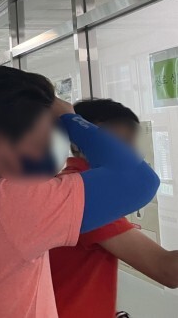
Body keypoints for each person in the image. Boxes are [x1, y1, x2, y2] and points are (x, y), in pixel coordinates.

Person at [0, 66, 159, 318]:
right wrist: (70, 117)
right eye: (40, 145)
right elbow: (139, 181)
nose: (46, 160)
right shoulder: (7, 206)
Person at [50, 99, 178, 318]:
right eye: (119, 145)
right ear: (80, 142)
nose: (132, 156)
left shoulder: (68, 182)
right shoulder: (85, 194)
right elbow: (167, 270)